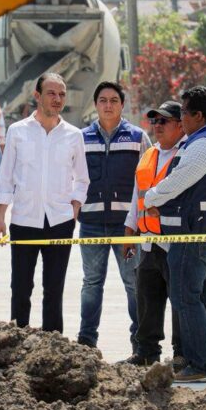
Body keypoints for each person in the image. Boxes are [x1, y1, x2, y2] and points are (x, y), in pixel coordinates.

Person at [144, 87, 206, 383]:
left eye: (183, 113)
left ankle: (200, 364)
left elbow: (180, 180)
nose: (180, 119)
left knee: (185, 298)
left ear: (199, 115)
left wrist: (152, 198)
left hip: (194, 235)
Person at [0, 73, 89, 334]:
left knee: (54, 289)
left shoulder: (74, 135)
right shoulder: (17, 132)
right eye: (51, 93)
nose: (57, 99)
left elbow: (82, 179)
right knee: (21, 288)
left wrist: (73, 210)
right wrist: (0, 216)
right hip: (24, 219)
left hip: (60, 222)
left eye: (61, 94)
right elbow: (5, 178)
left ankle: (53, 347)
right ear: (37, 96)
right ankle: (16, 344)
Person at [77, 81, 149, 350]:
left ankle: (141, 341)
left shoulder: (138, 138)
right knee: (92, 283)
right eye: (103, 100)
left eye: (114, 101)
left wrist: (141, 220)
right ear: (95, 105)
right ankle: (86, 341)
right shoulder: (81, 138)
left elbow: (148, 179)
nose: (108, 105)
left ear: (122, 104)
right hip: (91, 226)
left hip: (127, 229)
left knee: (133, 283)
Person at [121, 101, 185, 368]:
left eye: (164, 121)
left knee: (181, 300)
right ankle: (146, 351)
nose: (157, 126)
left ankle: (182, 352)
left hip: (175, 241)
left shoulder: (187, 154)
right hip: (148, 241)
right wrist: (129, 231)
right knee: (147, 299)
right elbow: (138, 195)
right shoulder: (149, 155)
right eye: (154, 121)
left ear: (181, 125)